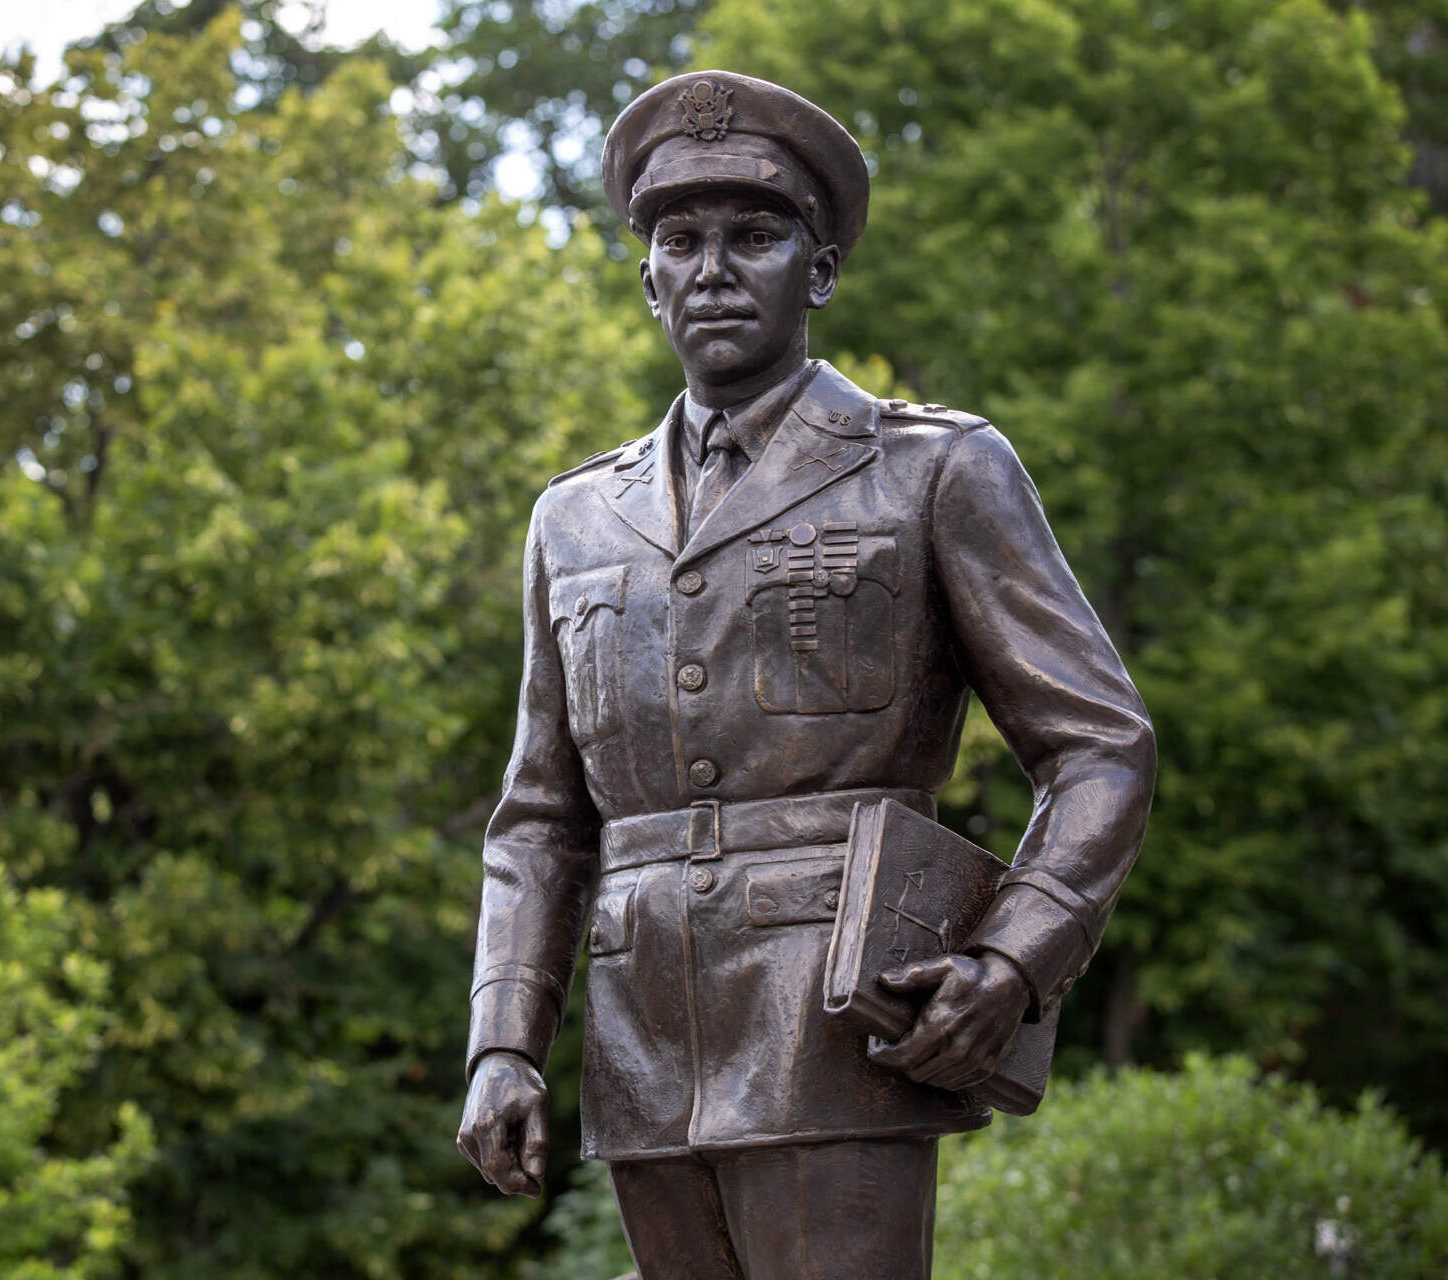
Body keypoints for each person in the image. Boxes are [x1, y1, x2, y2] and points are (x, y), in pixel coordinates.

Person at [456, 70, 1156, 1279]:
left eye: (756, 235)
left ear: (818, 270)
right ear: (648, 280)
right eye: (680, 241)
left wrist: (1014, 955)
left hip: (843, 1026)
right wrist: (504, 1040)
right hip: (643, 1047)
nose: (713, 268)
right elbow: (539, 817)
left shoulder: (935, 469)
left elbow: (1100, 747)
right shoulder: (573, 518)